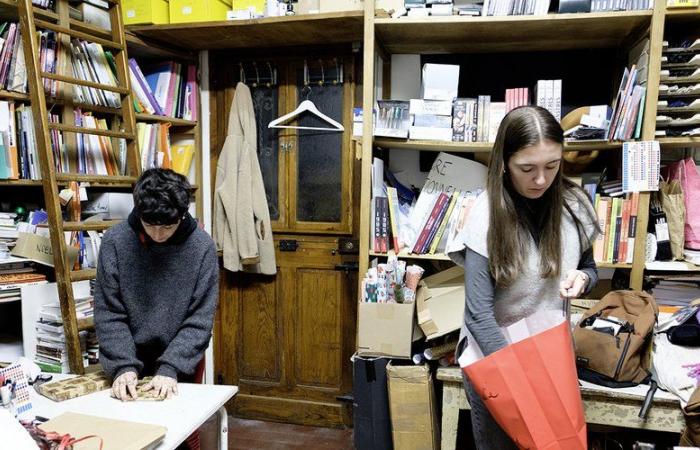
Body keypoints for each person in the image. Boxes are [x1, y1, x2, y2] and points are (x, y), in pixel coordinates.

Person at [447, 106, 599, 449]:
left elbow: (590, 269)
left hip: (551, 357)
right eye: (527, 168)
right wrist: (519, 377)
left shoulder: (574, 207)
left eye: (552, 166)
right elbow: (478, 315)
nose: (541, 180)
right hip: (497, 359)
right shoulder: (485, 215)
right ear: (504, 162)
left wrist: (583, 280)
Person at [95, 168, 219, 401]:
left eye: (167, 227)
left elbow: (200, 320)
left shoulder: (202, 247)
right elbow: (109, 313)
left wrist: (171, 368)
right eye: (150, 225)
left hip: (182, 354)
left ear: (182, 215)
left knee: (182, 429)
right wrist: (123, 366)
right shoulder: (115, 241)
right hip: (127, 350)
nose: (158, 235)